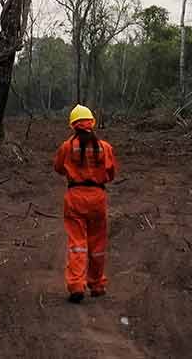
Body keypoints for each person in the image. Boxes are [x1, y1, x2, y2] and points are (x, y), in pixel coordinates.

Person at [52, 104, 118, 303]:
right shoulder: (105, 147)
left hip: (75, 198)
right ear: (92, 123)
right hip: (98, 198)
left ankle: (76, 285)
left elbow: (58, 168)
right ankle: (97, 285)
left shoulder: (67, 146)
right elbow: (111, 173)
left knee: (77, 244)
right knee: (97, 245)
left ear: (73, 125)